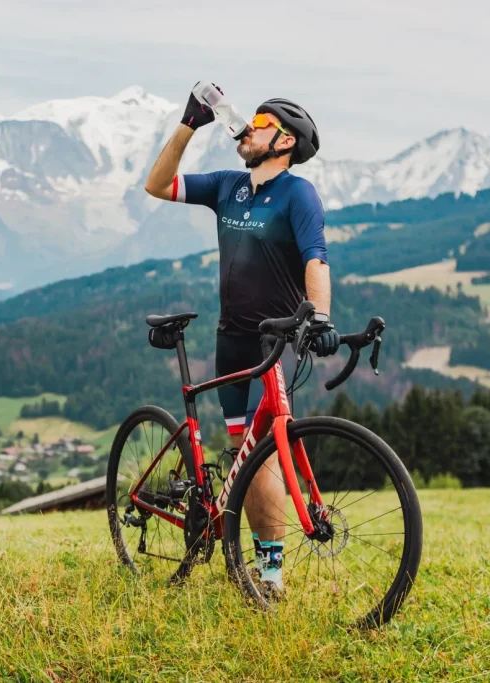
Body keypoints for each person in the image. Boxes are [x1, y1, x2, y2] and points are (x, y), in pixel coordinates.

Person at [144, 87, 340, 595]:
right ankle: (238, 547)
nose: (247, 128)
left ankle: (269, 574)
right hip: (229, 339)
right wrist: (190, 122)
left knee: (266, 455)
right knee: (241, 452)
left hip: (272, 345)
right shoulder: (228, 186)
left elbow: (316, 259)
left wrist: (319, 317)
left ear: (285, 140)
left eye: (260, 121)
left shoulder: (299, 195)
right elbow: (156, 184)